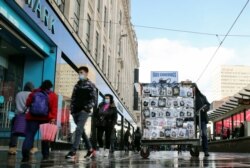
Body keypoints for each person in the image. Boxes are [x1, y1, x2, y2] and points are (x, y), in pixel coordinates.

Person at [22, 80, 58, 162]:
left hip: (32, 118)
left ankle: (25, 153)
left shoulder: (34, 93)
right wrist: (52, 118)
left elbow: (27, 103)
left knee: (29, 136)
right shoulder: (53, 95)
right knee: (45, 138)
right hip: (45, 119)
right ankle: (45, 155)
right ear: (50, 87)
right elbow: (54, 109)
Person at [65, 66, 97, 159]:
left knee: (78, 129)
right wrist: (72, 110)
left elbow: (94, 100)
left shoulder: (91, 85)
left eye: (82, 72)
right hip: (75, 112)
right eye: (79, 73)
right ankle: (90, 149)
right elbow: (73, 98)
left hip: (84, 112)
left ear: (86, 73)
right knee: (81, 131)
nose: (80, 74)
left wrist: (86, 108)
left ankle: (73, 151)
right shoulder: (77, 86)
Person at [8, 82, 34, 155]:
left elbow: (15, 103)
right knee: (29, 133)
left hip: (18, 115)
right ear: (31, 88)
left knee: (14, 132)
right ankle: (30, 148)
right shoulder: (31, 95)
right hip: (28, 116)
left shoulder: (18, 94)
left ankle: (12, 148)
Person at [194, 83, 210, 157]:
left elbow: (208, 105)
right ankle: (193, 148)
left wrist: (204, 109)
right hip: (192, 119)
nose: (192, 90)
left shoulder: (202, 97)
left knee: (204, 134)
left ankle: (205, 150)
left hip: (202, 118)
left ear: (196, 88)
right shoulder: (188, 97)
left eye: (193, 88)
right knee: (192, 135)